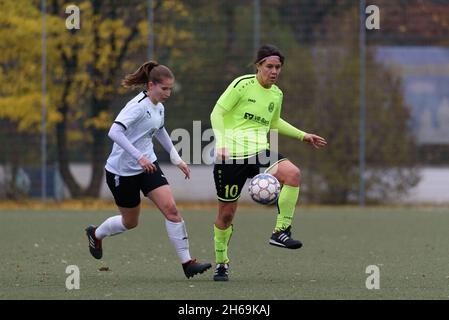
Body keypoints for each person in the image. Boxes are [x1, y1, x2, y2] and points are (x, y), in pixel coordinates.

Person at [210, 44, 327, 281]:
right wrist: (221, 142)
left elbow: (274, 123)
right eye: (269, 66)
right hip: (231, 156)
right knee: (226, 215)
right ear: (258, 66)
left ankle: (281, 231)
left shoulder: (277, 94)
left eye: (278, 67)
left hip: (259, 152)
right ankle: (222, 262)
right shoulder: (242, 85)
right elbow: (216, 113)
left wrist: (303, 135)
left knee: (292, 174)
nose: (274, 71)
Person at [85, 61, 211, 279]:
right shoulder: (137, 106)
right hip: (121, 172)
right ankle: (95, 234)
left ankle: (187, 263)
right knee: (130, 222)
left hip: (148, 166)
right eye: (164, 89)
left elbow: (160, 130)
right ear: (151, 85)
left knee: (171, 209)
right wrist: (138, 157)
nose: (168, 93)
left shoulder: (159, 107)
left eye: (171, 89)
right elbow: (114, 132)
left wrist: (176, 158)